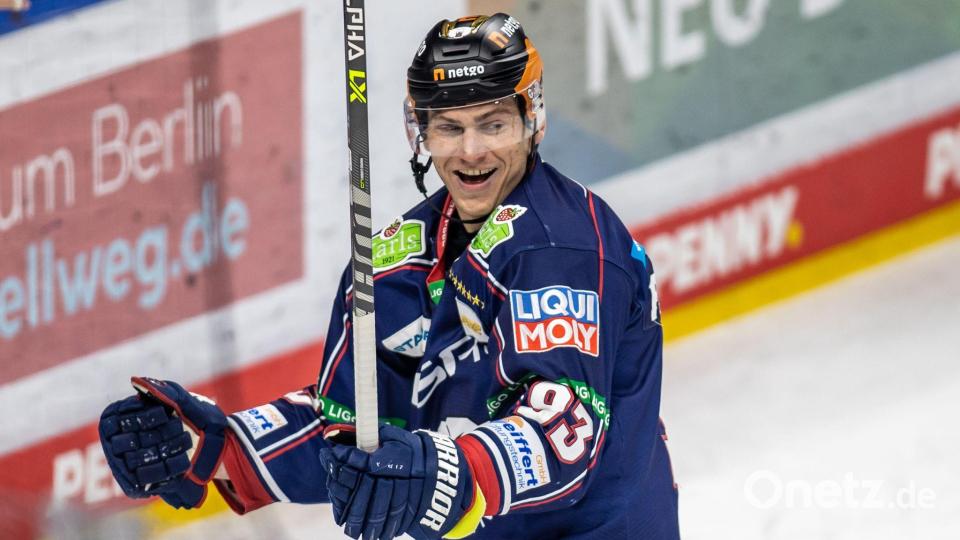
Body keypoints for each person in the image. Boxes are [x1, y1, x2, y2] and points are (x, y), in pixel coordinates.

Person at [97, 13, 680, 540]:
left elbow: (563, 434)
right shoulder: (395, 263)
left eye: (493, 123)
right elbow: (352, 427)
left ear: (533, 120)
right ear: (420, 132)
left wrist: (445, 472)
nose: (471, 151)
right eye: (449, 127)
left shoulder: (564, 250)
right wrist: (217, 447)